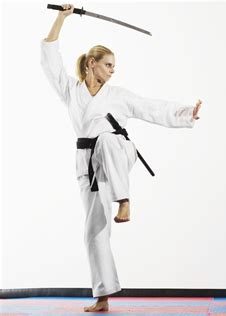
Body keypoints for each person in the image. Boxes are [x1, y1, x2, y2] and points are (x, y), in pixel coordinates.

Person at [41, 4, 202, 312]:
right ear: (92, 63)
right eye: (108, 65)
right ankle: (102, 296)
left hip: (118, 155)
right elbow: (50, 61)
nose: (113, 70)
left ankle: (124, 200)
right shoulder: (72, 91)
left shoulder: (119, 96)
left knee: (106, 140)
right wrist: (60, 18)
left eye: (114, 66)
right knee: (93, 231)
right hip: (87, 165)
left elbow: (151, 108)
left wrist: (185, 113)